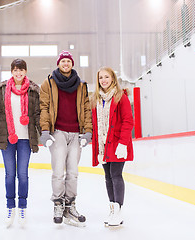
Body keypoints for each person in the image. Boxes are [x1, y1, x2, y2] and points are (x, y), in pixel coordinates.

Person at [40, 50, 92, 227]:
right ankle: (57, 203)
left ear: (72, 64)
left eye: (68, 61)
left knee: (73, 172)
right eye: (63, 61)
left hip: (76, 133)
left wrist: (88, 132)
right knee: (58, 171)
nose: (66, 64)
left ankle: (70, 205)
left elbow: (86, 109)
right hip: (58, 133)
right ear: (58, 64)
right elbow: (44, 107)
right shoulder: (48, 83)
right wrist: (45, 131)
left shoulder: (81, 85)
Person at [0, 59, 41, 227]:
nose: (18, 73)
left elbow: (37, 114)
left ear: (25, 71)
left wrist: (45, 133)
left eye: (21, 70)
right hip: (7, 137)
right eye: (15, 70)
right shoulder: (3, 89)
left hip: (25, 138)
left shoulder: (33, 91)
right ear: (11, 72)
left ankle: (23, 207)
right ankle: (10, 206)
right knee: (9, 174)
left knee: (23, 174)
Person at [90, 66, 134, 227]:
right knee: (108, 177)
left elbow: (128, 121)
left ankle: (118, 211)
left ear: (113, 78)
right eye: (101, 77)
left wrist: (123, 143)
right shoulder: (95, 99)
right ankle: (112, 208)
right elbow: (95, 124)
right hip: (103, 145)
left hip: (117, 144)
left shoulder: (120, 97)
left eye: (106, 77)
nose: (103, 80)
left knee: (116, 175)